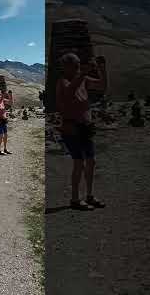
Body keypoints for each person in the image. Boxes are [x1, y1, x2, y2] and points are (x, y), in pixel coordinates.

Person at [56, 53, 107, 211]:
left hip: (85, 127)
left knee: (91, 161)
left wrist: (102, 70)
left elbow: (101, 86)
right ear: (65, 67)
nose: (77, 67)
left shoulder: (82, 79)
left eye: (78, 64)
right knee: (79, 162)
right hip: (71, 128)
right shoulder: (62, 82)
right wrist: (84, 73)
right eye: (74, 65)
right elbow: (70, 92)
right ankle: (75, 199)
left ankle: (89, 195)